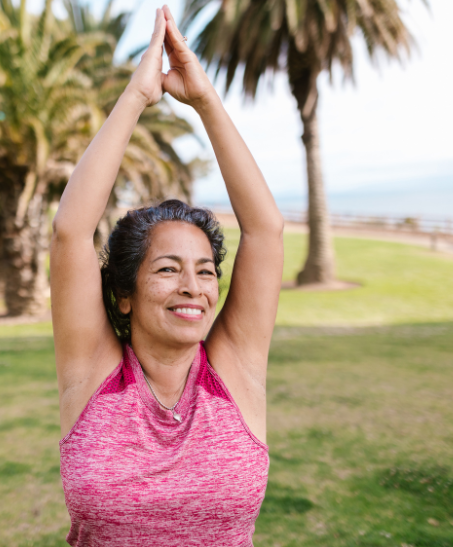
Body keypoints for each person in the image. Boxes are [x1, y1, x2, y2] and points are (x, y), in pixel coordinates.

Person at [50, 5, 283, 546]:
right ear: (124, 295)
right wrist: (136, 97)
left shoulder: (235, 373)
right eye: (168, 269)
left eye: (205, 271)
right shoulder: (93, 375)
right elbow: (70, 232)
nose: (193, 288)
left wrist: (205, 101)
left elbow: (265, 231)